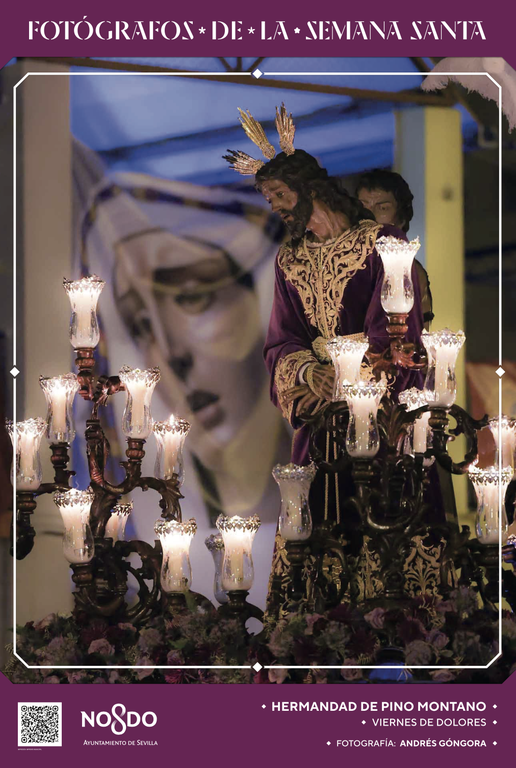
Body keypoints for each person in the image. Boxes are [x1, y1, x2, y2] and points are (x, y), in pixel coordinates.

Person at [224, 107, 445, 606]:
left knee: (388, 520)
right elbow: (281, 338)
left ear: (309, 189)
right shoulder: (290, 259)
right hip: (320, 423)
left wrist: (343, 377)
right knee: (315, 539)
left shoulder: (382, 244)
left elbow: (396, 328)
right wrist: (308, 373)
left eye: (280, 195)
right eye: (269, 199)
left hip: (383, 415)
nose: (276, 207)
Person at [74, 141, 292, 609]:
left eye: (193, 297)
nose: (170, 355)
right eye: (141, 326)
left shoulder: (336, 501)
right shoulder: (160, 536)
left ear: (258, 303)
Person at [355, 169, 434, 329]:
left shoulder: (409, 271)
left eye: (383, 208)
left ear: (401, 218)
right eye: (362, 206)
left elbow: (418, 334)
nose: (369, 215)